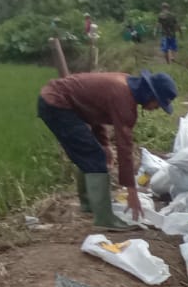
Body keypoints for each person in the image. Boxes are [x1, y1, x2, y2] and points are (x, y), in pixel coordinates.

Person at [37, 69, 176, 230]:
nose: (156, 108)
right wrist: (131, 191)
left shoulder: (126, 86)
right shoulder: (124, 99)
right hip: (56, 104)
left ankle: (89, 205)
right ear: (150, 95)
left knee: (93, 153)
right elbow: (125, 148)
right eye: (158, 103)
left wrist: (104, 145)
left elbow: (94, 113)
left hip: (57, 100)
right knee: (94, 158)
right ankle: (103, 219)